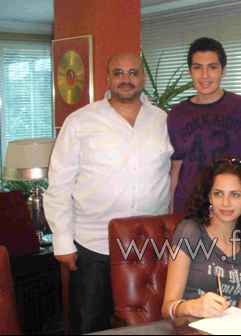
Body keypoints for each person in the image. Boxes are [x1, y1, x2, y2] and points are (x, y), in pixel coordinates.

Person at [44, 51, 173, 334]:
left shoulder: (163, 121)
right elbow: (59, 184)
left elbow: (174, 176)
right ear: (107, 78)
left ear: (143, 78)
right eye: (118, 73)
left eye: (133, 73)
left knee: (151, 327)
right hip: (94, 246)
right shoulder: (80, 122)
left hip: (149, 246)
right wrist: (62, 242)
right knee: (90, 325)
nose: (126, 79)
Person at [167, 37, 241, 214]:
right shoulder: (177, 115)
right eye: (197, 67)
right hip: (188, 214)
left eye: (212, 67)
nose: (205, 75)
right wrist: (171, 213)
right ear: (190, 72)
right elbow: (175, 171)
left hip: (229, 212)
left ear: (223, 70)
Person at [162, 158, 241, 318]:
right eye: (218, 193)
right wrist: (190, 307)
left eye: (235, 195)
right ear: (209, 197)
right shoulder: (190, 232)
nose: (225, 203)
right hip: (188, 326)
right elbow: (166, 309)